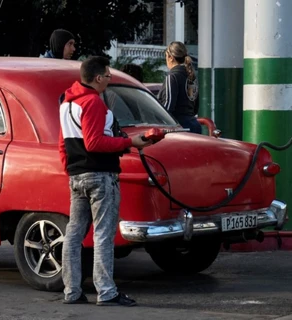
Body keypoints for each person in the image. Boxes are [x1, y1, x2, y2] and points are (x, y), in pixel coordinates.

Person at [59, 56, 151, 306]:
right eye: (108, 76)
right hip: (100, 175)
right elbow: (95, 143)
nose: (110, 80)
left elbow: (63, 144)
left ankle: (72, 290)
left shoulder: (66, 103)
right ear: (98, 78)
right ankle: (107, 292)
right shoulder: (93, 104)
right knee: (103, 234)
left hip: (77, 175)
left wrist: (69, 169)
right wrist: (130, 142)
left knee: (74, 234)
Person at [157, 41, 201, 134]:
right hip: (194, 126)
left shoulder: (172, 77)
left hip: (179, 129)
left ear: (171, 58)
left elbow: (167, 106)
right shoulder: (191, 76)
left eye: (166, 56)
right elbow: (195, 106)